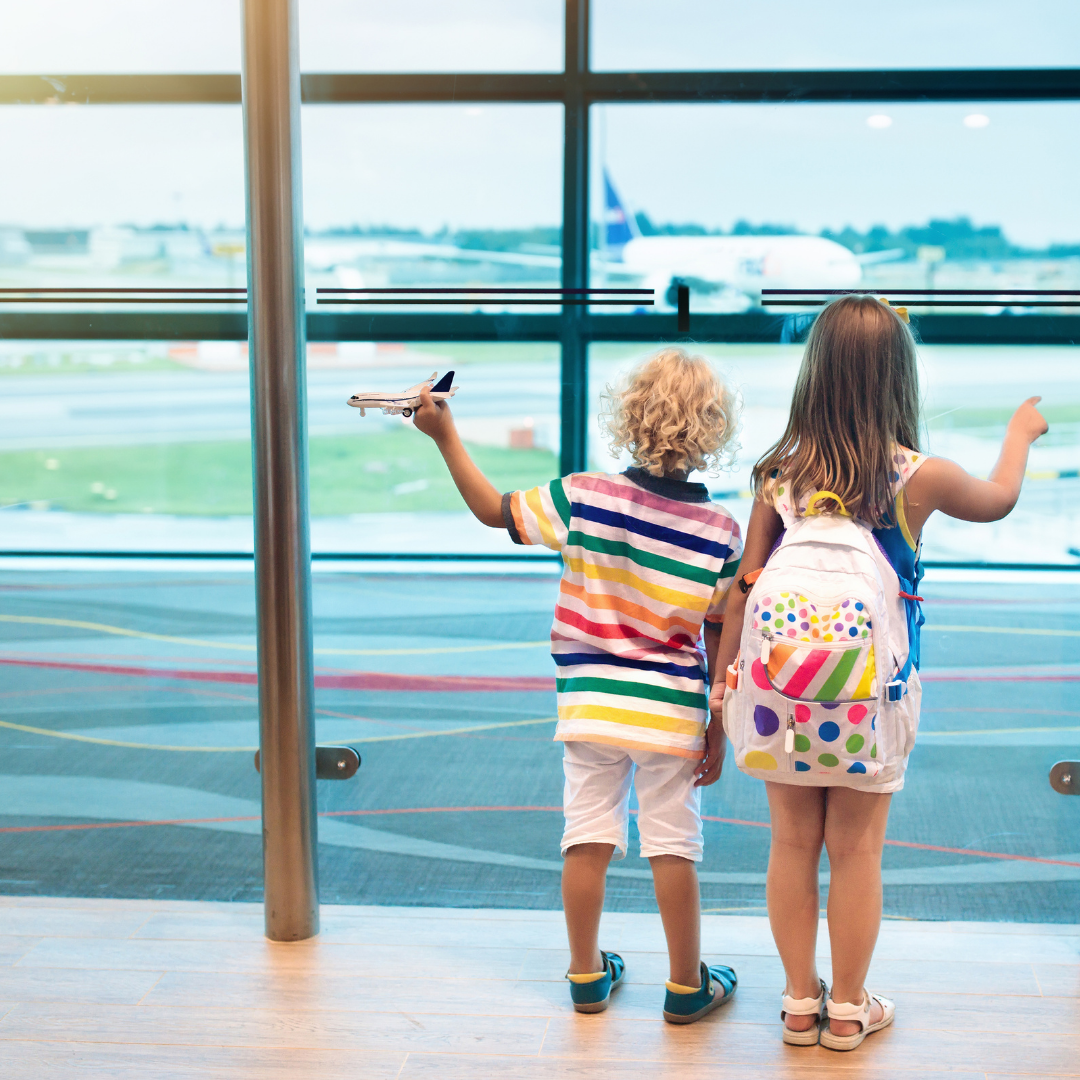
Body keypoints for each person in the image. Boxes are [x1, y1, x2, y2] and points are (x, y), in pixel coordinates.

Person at [710, 294, 1048, 1050]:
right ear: (899, 376)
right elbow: (998, 501)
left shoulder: (779, 472)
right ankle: (851, 1008)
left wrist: (722, 687)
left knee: (790, 845)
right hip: (872, 701)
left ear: (816, 374)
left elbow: (745, 583)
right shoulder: (916, 477)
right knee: (858, 850)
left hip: (779, 702)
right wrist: (1021, 433)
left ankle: (800, 1004)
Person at [413, 347, 743, 1022]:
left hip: (590, 705)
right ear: (714, 429)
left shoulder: (582, 495)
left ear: (629, 416)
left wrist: (445, 435)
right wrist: (717, 723)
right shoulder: (721, 533)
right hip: (670, 713)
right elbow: (719, 633)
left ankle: (586, 976)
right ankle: (686, 985)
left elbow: (492, 510)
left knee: (586, 837)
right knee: (672, 844)